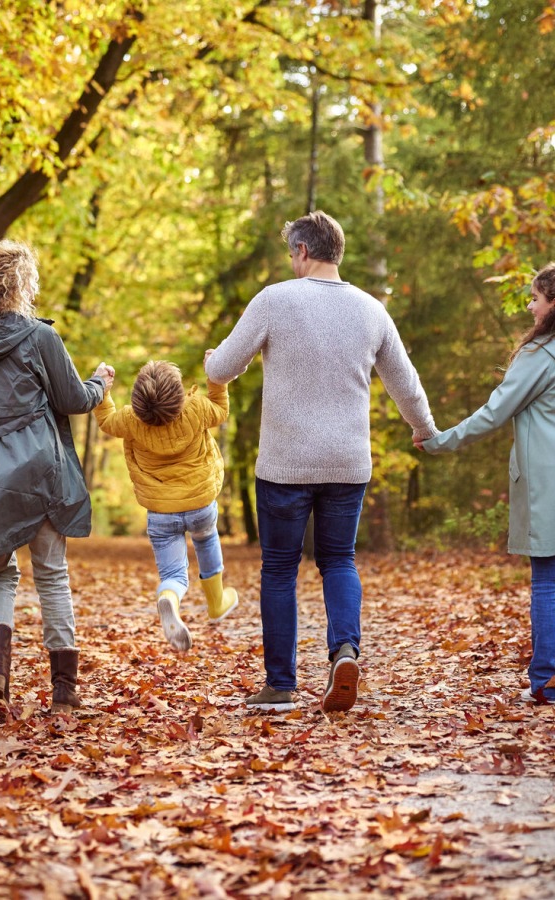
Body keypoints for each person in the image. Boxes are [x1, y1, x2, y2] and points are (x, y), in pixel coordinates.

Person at [206, 210, 439, 713]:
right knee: (339, 560)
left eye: (292, 254)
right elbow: (405, 382)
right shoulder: (372, 310)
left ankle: (281, 686)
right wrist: (424, 429)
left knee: (279, 570)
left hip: (286, 464)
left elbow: (223, 367)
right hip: (348, 462)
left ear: (304, 252)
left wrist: (210, 360)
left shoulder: (275, 300)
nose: (291, 262)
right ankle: (345, 651)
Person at [417, 261, 555, 704]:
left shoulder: (539, 356)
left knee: (545, 579)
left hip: (547, 487)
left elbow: (494, 413)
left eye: (535, 298)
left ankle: (544, 683)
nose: (529, 306)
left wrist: (439, 441)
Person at [0, 240, 112, 713]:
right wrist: (100, 383)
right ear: (23, 284)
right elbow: (74, 399)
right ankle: (65, 691)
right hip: (39, 471)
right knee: (51, 575)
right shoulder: (40, 337)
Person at [93, 356, 240, 652]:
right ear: (178, 393)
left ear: (138, 399)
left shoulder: (130, 420)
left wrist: (102, 389)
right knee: (206, 539)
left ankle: (169, 597)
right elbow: (222, 409)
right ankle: (217, 602)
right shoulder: (196, 408)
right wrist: (215, 377)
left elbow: (106, 421)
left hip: (160, 511)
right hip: (200, 502)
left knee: (173, 574)